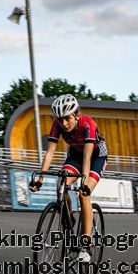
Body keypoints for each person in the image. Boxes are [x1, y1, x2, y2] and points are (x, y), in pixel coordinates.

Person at [29, 94, 108, 262]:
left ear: (76, 114)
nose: (64, 124)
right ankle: (69, 217)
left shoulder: (88, 124)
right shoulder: (57, 126)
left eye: (67, 119)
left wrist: (84, 183)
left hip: (95, 156)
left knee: (83, 194)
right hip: (74, 156)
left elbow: (87, 158)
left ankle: (86, 245)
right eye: (60, 120)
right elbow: (49, 152)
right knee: (61, 185)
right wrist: (40, 179)